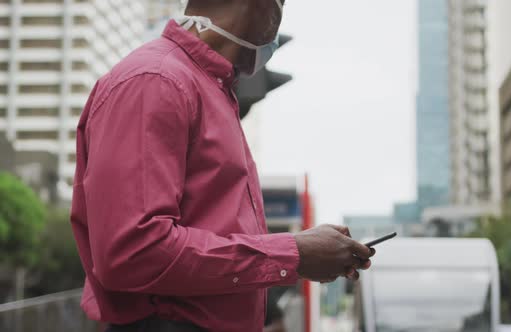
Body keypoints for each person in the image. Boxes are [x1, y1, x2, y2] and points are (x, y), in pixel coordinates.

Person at [70, 0, 374, 331]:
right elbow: (133, 252)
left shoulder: (206, 86)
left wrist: (299, 251)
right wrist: (293, 253)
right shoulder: (156, 80)